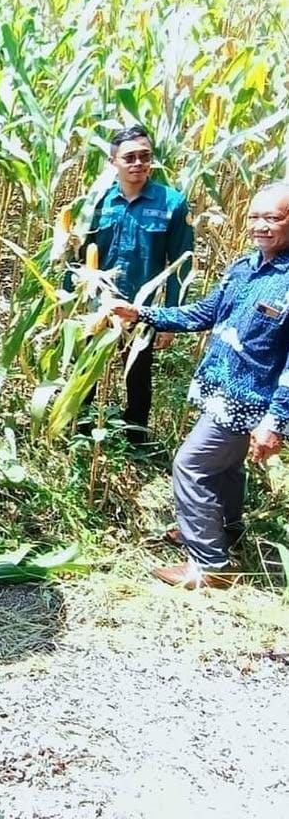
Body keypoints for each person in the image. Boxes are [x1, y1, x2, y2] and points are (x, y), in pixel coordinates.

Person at [111, 182, 289, 589]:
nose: (261, 226)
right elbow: (205, 313)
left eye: (273, 218)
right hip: (219, 390)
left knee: (191, 466)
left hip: (248, 400)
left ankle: (210, 565)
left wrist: (276, 421)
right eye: (255, 217)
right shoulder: (244, 268)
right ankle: (224, 528)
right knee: (225, 467)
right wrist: (142, 313)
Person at [72, 125, 192, 445]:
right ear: (113, 163)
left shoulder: (172, 203)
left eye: (145, 156)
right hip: (96, 304)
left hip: (143, 308)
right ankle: (82, 433)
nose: (138, 163)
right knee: (86, 370)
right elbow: (77, 253)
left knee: (138, 375)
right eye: (130, 157)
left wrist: (170, 320)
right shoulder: (96, 203)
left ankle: (135, 438)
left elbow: (181, 264)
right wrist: (70, 300)